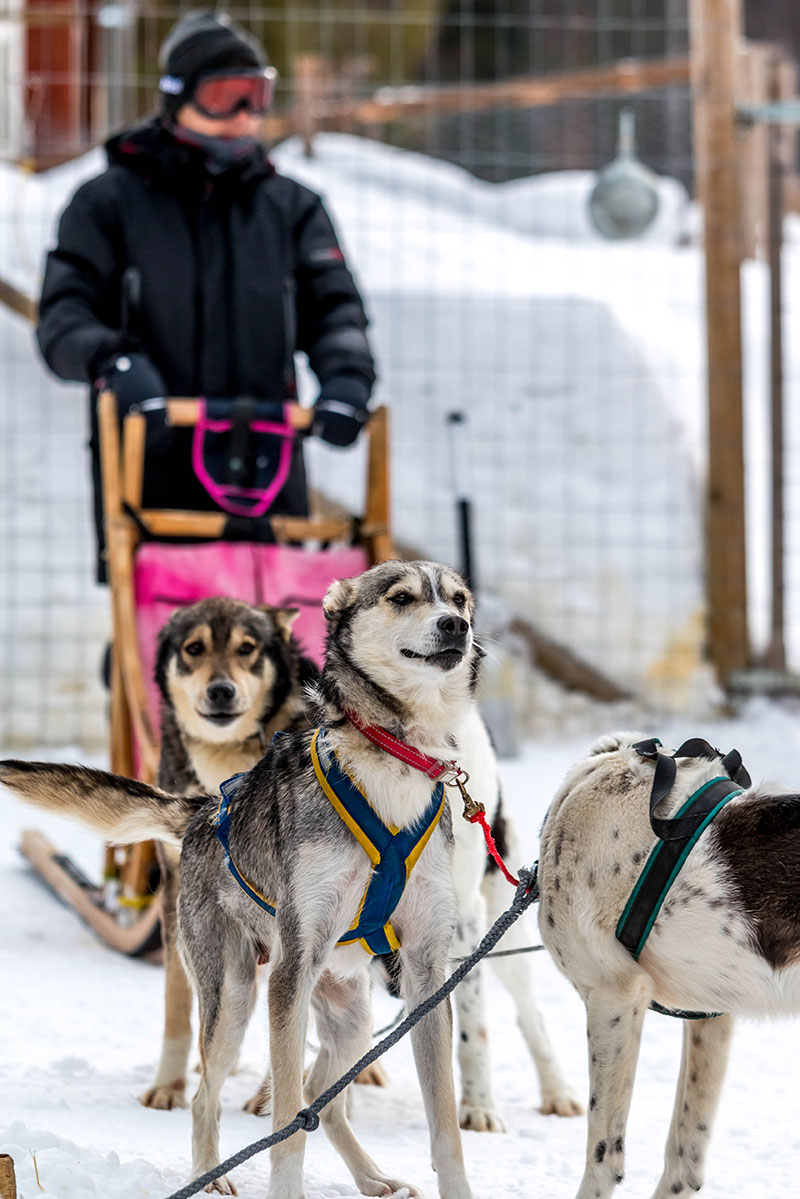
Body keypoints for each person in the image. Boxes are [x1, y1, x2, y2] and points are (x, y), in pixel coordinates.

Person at [36, 10, 376, 581]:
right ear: (176, 98)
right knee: (166, 640)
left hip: (267, 473)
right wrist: (112, 362)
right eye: (224, 96)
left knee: (274, 644)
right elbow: (63, 315)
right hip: (152, 468)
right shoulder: (106, 204)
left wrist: (347, 377)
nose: (244, 117)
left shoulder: (294, 209)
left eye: (257, 95)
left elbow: (335, 309)